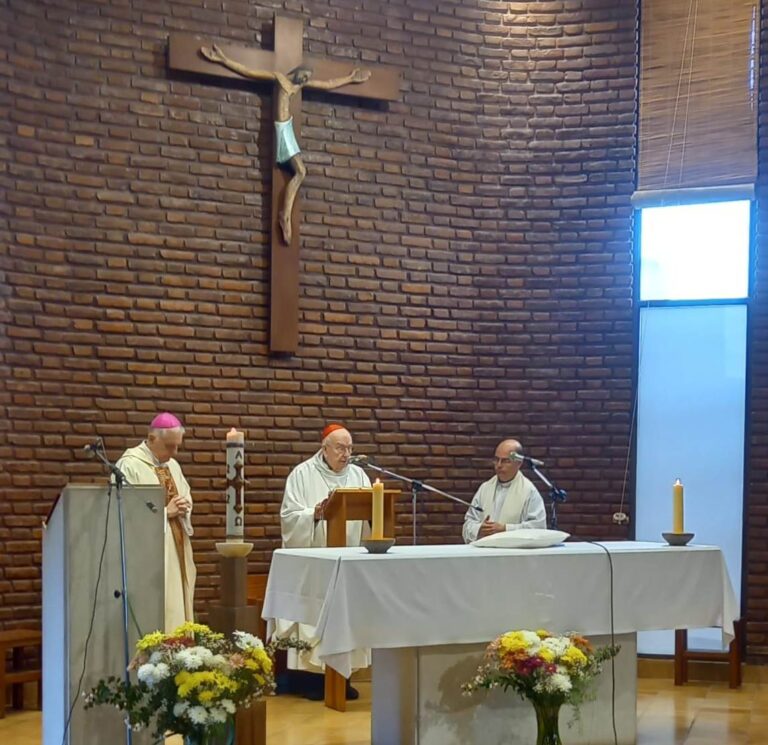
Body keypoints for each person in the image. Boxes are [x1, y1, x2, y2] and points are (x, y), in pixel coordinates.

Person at [199, 43, 371, 243]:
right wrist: (224, 60)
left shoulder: (298, 86)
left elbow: (328, 83)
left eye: (307, 78)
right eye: (304, 76)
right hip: (281, 129)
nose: (305, 80)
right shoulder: (279, 79)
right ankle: (285, 216)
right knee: (301, 171)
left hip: (286, 127)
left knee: (300, 172)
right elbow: (250, 72)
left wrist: (350, 78)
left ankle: (285, 215)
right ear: (297, 72)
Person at [275, 423, 371, 700]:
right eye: (340, 448)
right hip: (315, 565)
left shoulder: (359, 474)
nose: (346, 453)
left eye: (350, 448)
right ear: (324, 448)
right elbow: (289, 517)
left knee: (346, 617)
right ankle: (308, 681)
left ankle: (342, 678)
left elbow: (369, 513)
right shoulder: (302, 474)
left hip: (348, 562)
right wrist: (314, 514)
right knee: (313, 621)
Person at [116, 413, 196, 631]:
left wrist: (184, 506)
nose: (174, 453)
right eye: (170, 446)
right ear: (152, 439)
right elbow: (125, 515)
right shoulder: (129, 466)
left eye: (177, 446)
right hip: (149, 557)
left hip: (177, 547)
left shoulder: (173, 466)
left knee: (177, 608)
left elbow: (186, 494)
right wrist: (164, 513)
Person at [462, 439, 547, 543]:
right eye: (496, 459)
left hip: (514, 556)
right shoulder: (485, 488)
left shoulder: (529, 491)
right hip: (485, 553)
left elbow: (538, 529)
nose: (498, 465)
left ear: (518, 463)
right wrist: (479, 529)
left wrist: (505, 529)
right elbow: (468, 524)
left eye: (505, 461)